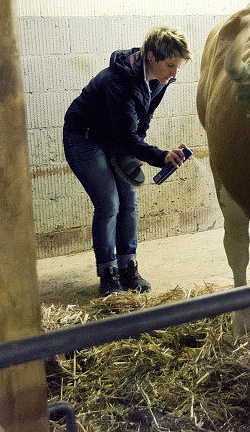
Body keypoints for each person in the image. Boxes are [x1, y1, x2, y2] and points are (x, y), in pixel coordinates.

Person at [63, 26, 191, 296]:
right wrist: (158, 156)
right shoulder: (120, 82)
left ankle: (128, 266)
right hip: (84, 138)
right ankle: (108, 273)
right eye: (170, 65)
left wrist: (140, 149)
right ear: (151, 56)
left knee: (130, 201)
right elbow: (125, 136)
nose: (174, 73)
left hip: (116, 137)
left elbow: (143, 119)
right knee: (110, 202)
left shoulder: (161, 78)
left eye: (178, 67)